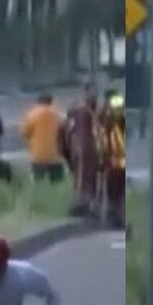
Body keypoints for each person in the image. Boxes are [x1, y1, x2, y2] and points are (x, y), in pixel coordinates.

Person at [64, 84, 104, 216]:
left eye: (95, 93)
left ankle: (90, 203)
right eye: (92, 92)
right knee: (82, 176)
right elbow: (69, 128)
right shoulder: (81, 110)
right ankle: (81, 203)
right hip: (83, 147)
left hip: (94, 148)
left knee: (92, 177)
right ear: (86, 93)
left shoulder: (97, 109)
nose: (94, 95)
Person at [20, 93, 65, 183]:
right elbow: (65, 132)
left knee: (38, 182)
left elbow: (24, 133)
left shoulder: (31, 115)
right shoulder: (58, 115)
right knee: (57, 182)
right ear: (51, 102)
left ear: (38, 102)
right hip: (56, 155)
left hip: (38, 156)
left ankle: (40, 195)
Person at [102, 94, 127, 229]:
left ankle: (115, 217)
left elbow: (104, 145)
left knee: (114, 193)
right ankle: (116, 217)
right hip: (117, 164)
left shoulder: (109, 124)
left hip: (114, 164)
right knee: (117, 194)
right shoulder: (116, 123)